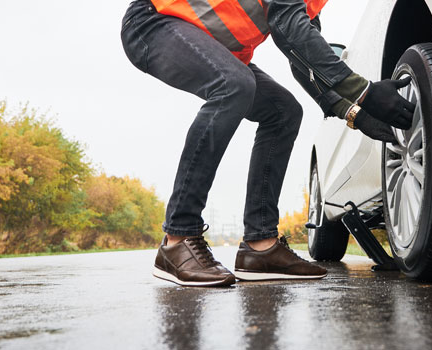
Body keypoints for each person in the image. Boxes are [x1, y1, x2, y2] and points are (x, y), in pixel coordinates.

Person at [120, 0, 414, 287]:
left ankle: (260, 249)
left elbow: (302, 57)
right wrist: (364, 92)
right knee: (233, 86)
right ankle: (177, 239)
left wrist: (355, 113)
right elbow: (288, 26)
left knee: (283, 112)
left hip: (214, 47)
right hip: (153, 22)